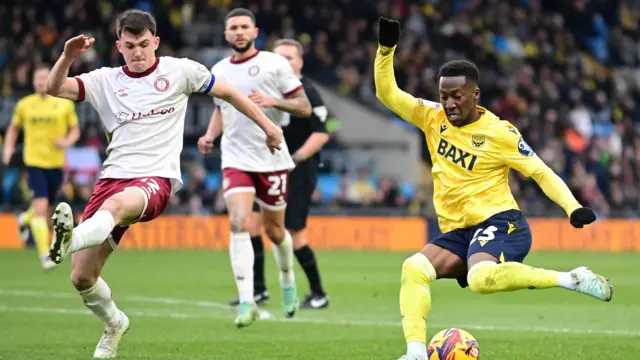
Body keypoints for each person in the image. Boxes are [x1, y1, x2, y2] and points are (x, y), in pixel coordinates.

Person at [45, 9, 282, 359]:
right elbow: (53, 88)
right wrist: (67, 56)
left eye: (144, 44)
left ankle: (67, 240)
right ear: (119, 47)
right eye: (130, 46)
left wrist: (270, 127)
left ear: (155, 42)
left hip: (156, 179)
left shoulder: (180, 70)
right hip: (111, 178)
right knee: (82, 278)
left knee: (116, 207)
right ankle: (114, 323)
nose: (138, 52)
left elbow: (231, 94)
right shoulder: (105, 80)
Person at [373, 17, 613, 360]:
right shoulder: (432, 117)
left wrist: (572, 207)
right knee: (414, 267)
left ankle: (571, 278)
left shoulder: (500, 133)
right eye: (444, 96)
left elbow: (541, 172)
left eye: (457, 96)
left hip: (502, 223)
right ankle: (415, 354)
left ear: (475, 95)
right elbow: (387, 93)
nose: (450, 104)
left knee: (480, 278)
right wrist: (386, 50)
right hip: (459, 231)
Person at [197, 8, 312, 328]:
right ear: (226, 34)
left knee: (275, 231)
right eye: (233, 27)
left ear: (255, 31)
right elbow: (221, 109)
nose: (239, 32)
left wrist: (273, 102)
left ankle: (287, 280)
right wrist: (209, 135)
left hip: (272, 157)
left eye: (244, 26)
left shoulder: (275, 64)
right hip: (235, 158)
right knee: (238, 222)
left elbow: (302, 107)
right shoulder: (218, 70)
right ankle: (246, 300)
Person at [226, 38, 331, 310]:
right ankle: (258, 290)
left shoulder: (307, 91)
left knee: (293, 233)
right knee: (250, 225)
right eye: (279, 57)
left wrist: (294, 159)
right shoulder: (266, 85)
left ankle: (318, 293)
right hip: (266, 164)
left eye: (290, 58)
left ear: (300, 62)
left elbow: (321, 133)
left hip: (297, 169)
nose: (284, 62)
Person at [3, 64, 80, 271]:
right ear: (32, 81)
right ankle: (45, 254)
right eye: (36, 78)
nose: (40, 81)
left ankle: (23, 218)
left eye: (44, 77)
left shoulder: (63, 104)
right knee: (41, 206)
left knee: (44, 207)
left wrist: (66, 142)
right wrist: (8, 148)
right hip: (34, 162)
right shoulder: (25, 104)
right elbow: (13, 128)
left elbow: (75, 131)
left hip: (55, 163)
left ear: (51, 79)